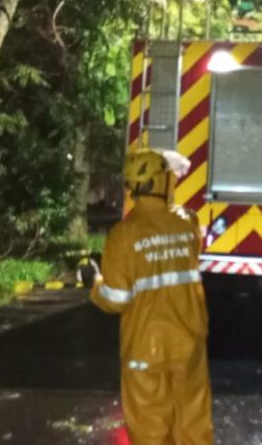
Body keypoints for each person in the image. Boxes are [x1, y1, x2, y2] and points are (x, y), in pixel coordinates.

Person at [90, 149, 213, 445]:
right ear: (163, 182)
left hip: (144, 348)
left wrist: (94, 282)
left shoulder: (122, 235)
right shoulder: (188, 223)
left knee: (149, 429)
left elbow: (116, 298)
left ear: (133, 187)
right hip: (189, 345)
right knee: (193, 424)